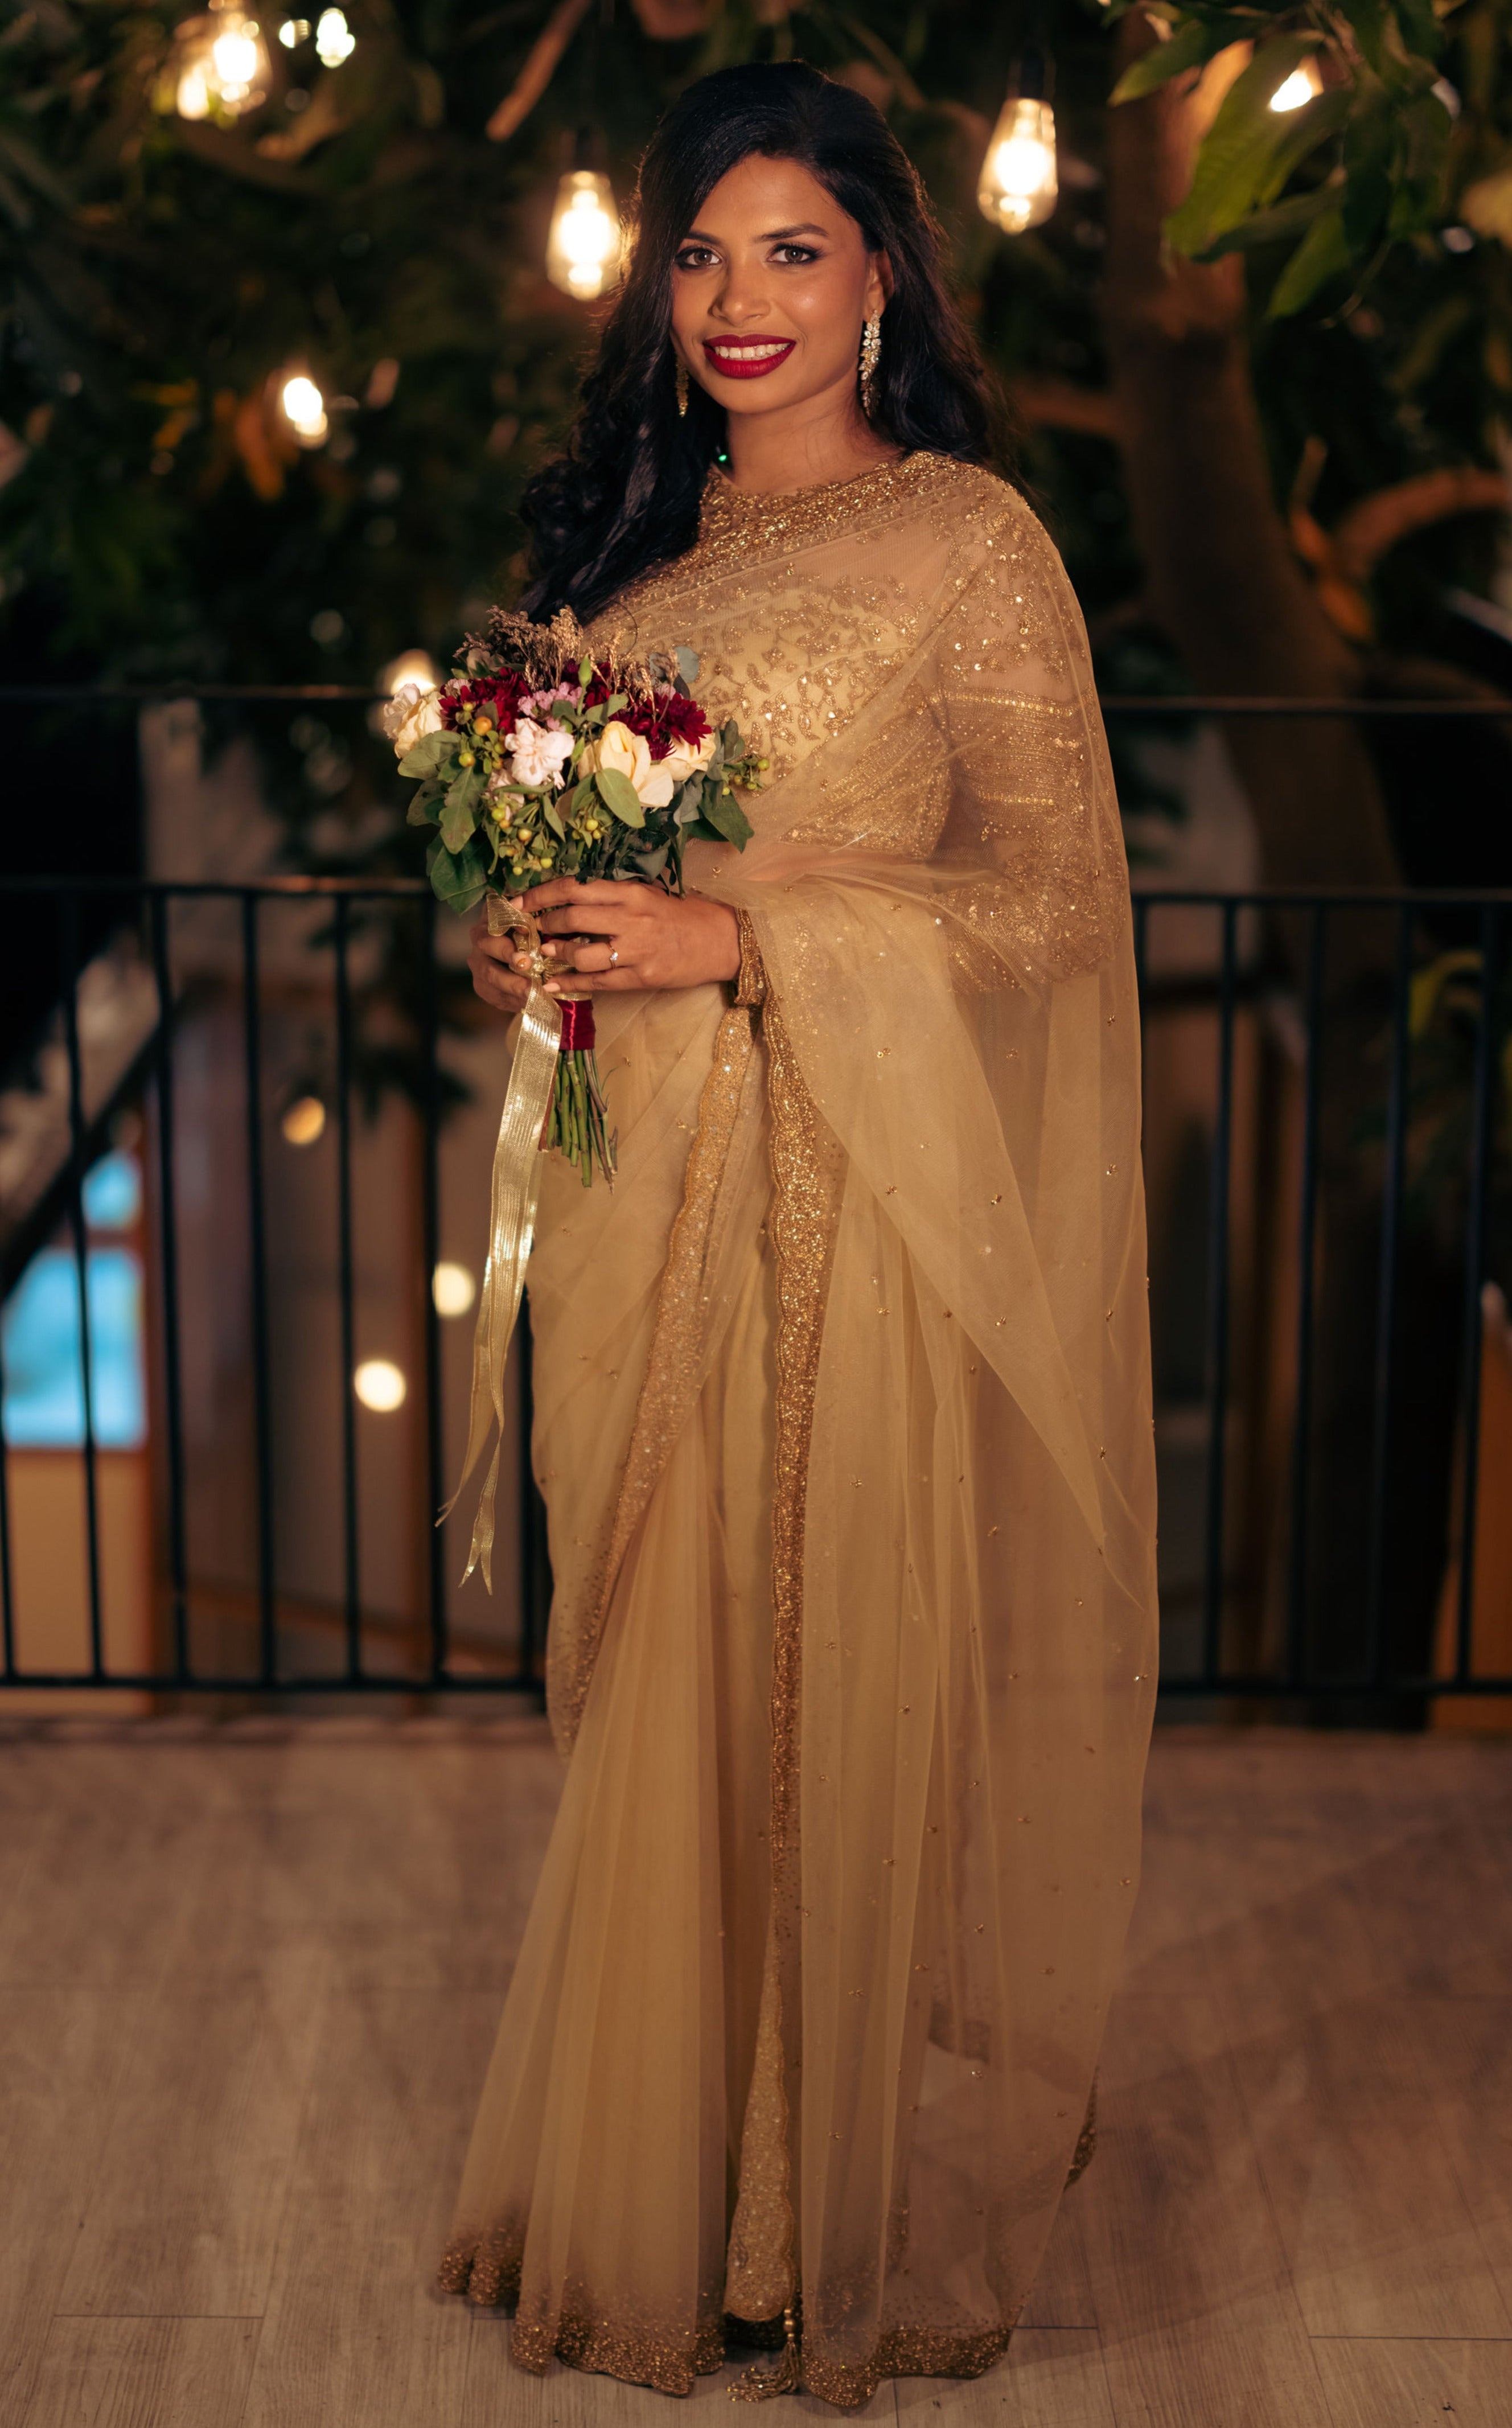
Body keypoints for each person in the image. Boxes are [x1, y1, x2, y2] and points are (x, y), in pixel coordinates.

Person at [442, 59, 1157, 2409]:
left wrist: (749, 939)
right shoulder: (634, 565)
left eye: (793, 250)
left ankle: (786, 2218)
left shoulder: (971, 546)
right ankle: (654, 2188)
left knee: (798, 1688)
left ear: (880, 278)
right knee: (655, 1671)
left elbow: (1054, 906)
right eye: (702, 251)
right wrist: (534, 940)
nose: (740, 301)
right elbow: (574, 902)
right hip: (645, 1198)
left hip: (848, 1210)